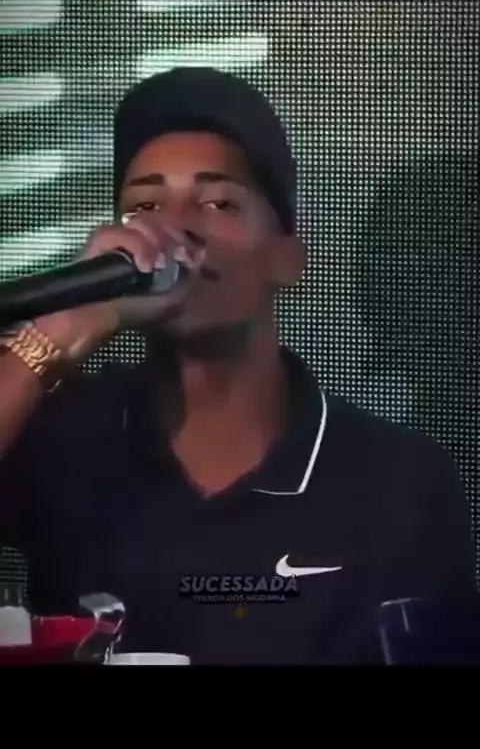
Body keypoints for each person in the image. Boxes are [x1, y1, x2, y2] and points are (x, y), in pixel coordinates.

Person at [0, 67, 477, 665]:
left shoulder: (399, 484)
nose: (173, 227)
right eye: (144, 205)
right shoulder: (59, 434)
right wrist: (59, 333)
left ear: (288, 257)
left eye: (218, 201)